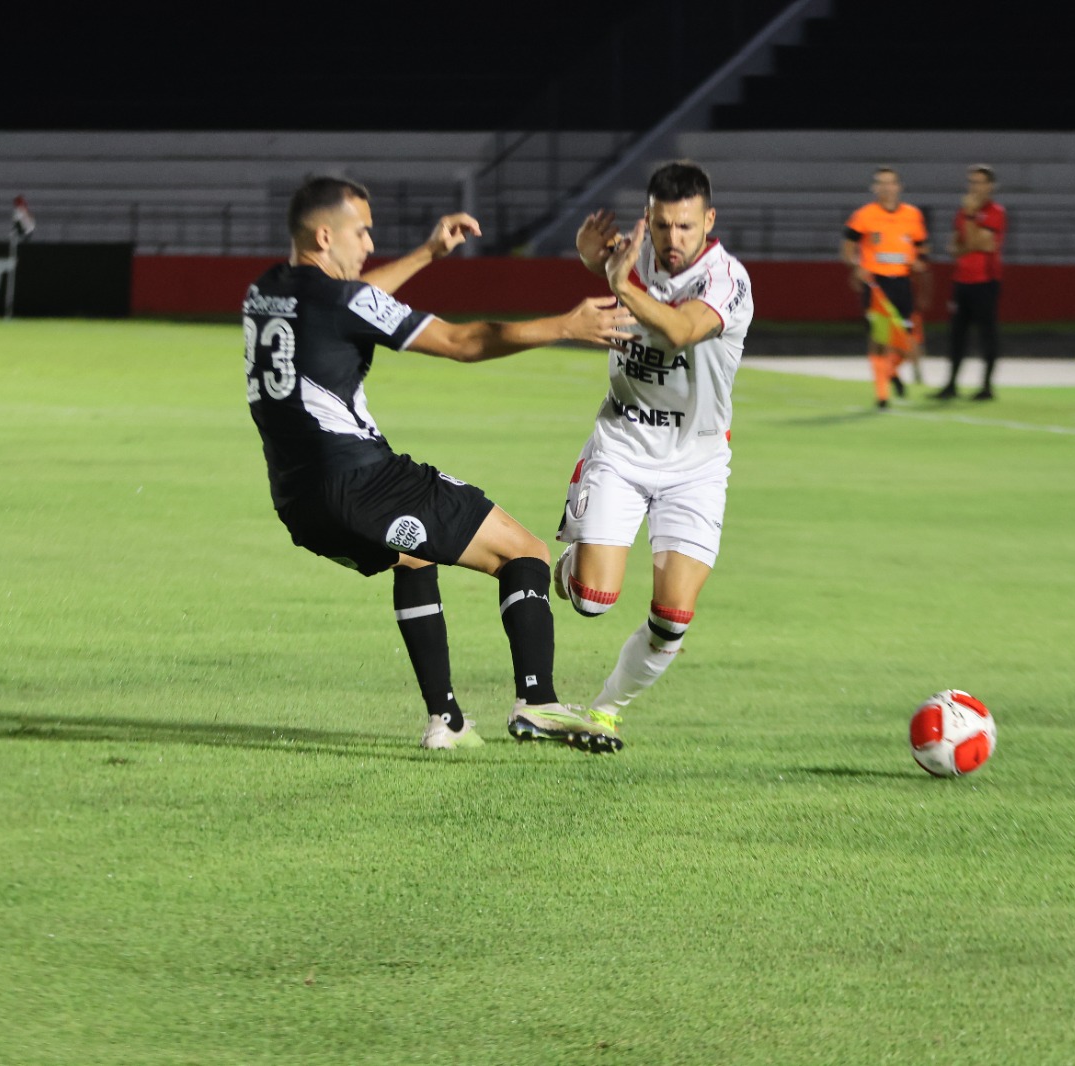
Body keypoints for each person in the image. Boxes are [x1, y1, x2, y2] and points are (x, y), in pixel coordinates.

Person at [245, 177, 636, 752]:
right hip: (362, 479)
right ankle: (539, 702)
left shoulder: (265, 291)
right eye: (362, 231)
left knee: (411, 554)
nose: (369, 243)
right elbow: (463, 341)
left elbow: (348, 300)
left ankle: (445, 721)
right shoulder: (343, 300)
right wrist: (566, 326)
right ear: (326, 235)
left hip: (299, 503)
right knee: (524, 552)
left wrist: (427, 254)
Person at [559, 161, 754, 741]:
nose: (673, 240)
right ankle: (569, 565)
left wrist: (616, 283)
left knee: (671, 619)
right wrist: (588, 252)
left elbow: (680, 330)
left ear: (709, 221)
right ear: (649, 218)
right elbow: (602, 257)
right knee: (592, 599)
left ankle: (604, 710)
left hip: (695, 465)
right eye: (663, 226)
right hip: (621, 446)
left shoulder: (728, 281)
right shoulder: (634, 257)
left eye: (687, 227)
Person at [840, 167, 930, 409]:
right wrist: (857, 265)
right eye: (881, 183)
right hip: (876, 283)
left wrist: (920, 261)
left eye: (890, 183)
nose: (886, 188)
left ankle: (890, 371)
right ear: (875, 188)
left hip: (903, 282)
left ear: (898, 187)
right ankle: (882, 395)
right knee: (879, 338)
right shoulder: (864, 215)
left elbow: (922, 247)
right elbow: (848, 247)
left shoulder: (912, 215)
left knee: (908, 342)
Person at [935, 165, 1006, 401]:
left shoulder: (995, 211)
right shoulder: (963, 212)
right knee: (957, 334)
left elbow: (982, 243)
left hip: (985, 281)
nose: (975, 187)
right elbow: (954, 248)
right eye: (972, 182)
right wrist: (969, 238)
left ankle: (986, 387)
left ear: (990, 186)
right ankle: (951, 384)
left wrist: (970, 218)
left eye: (979, 182)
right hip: (962, 281)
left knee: (987, 333)